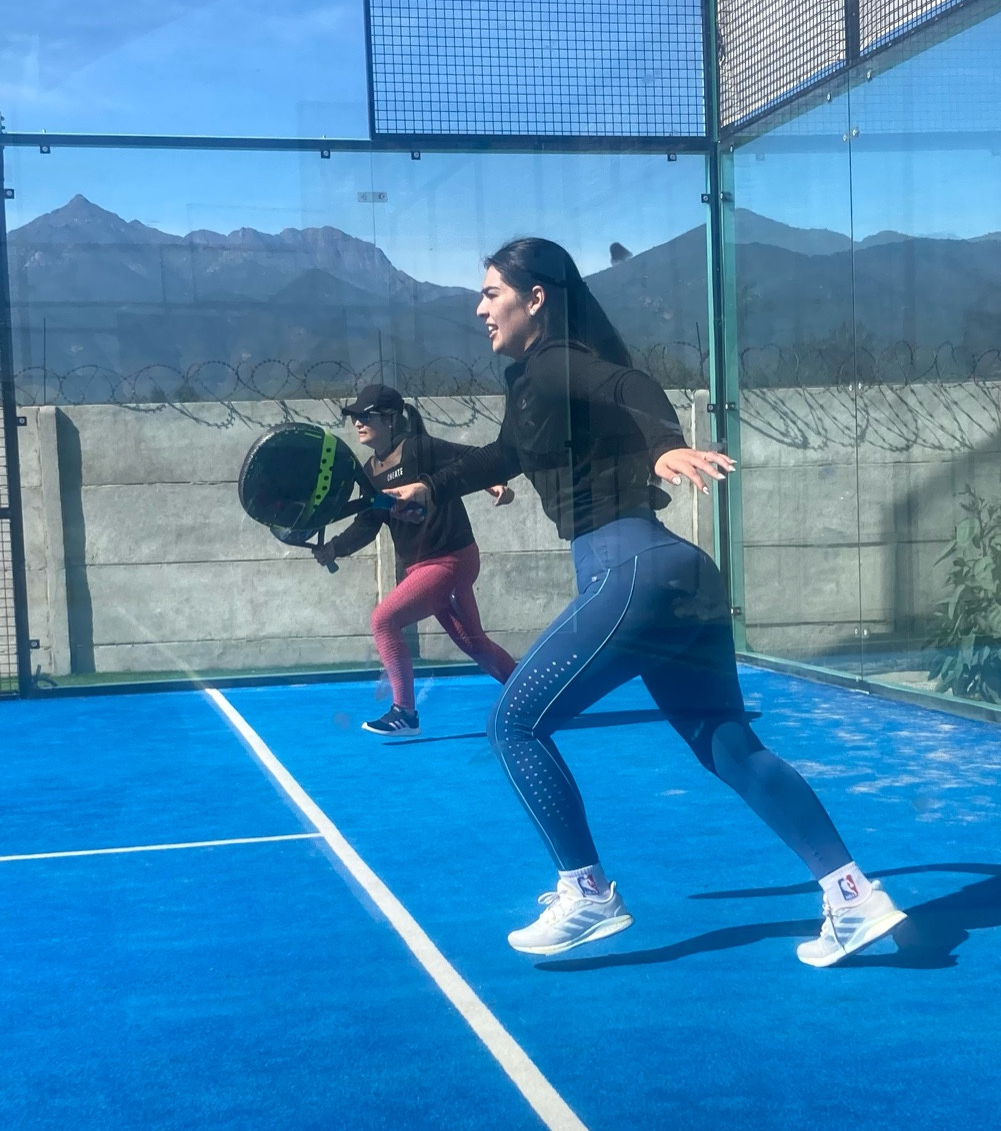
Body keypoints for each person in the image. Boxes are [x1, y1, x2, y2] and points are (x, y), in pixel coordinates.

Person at [386, 242, 905, 967]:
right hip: (677, 575)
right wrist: (431, 487)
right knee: (729, 745)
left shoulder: (557, 362)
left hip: (632, 572)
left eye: (492, 293)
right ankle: (854, 898)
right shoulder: (534, 382)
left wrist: (664, 444)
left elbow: (628, 385)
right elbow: (504, 455)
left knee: (513, 724)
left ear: (536, 298)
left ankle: (588, 892)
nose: (480, 308)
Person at [315, 384, 517, 735]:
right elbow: (367, 524)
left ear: (391, 419)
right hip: (422, 569)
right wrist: (334, 548)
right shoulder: (370, 473)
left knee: (384, 620)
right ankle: (531, 692)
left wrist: (495, 484)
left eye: (366, 416)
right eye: (355, 417)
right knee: (474, 643)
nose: (358, 423)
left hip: (451, 560)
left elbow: (471, 460)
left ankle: (405, 713)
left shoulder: (420, 449)